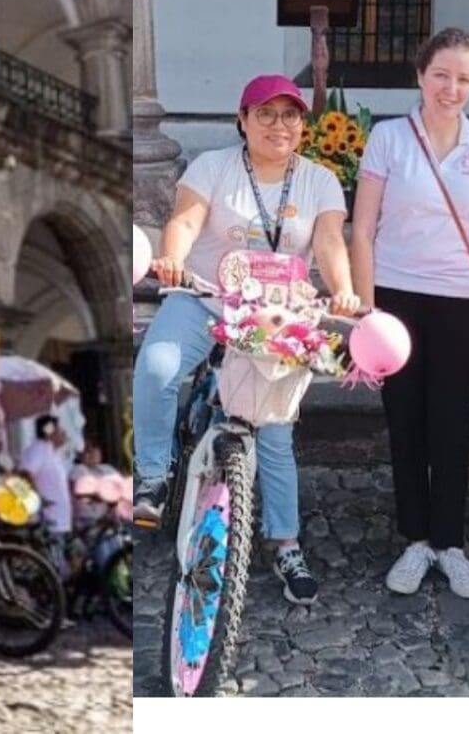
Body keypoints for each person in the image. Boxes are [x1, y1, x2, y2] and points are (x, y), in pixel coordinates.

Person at [133, 73, 362, 606]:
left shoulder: (319, 180)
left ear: (302, 127)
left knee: (276, 433)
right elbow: (185, 222)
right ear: (242, 120)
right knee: (159, 367)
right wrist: (171, 258)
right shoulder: (212, 167)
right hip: (206, 298)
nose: (277, 125)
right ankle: (151, 476)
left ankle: (285, 543)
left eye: (289, 115)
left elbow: (330, 241)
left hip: (277, 315)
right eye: (265, 114)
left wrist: (344, 291)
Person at [349, 27, 469, 600]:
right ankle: (415, 538)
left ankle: (451, 542)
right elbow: (362, 229)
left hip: (460, 299)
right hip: (396, 297)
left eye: (464, 79)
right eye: (442, 75)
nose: (452, 88)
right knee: (406, 420)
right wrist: (366, 312)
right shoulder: (390, 138)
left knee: (452, 423)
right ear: (420, 76)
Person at [19, 415, 73, 575]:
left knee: (61, 560)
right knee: (54, 566)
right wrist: (36, 499)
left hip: (60, 519)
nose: (63, 433)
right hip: (48, 518)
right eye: (59, 429)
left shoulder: (53, 452)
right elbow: (24, 474)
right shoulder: (39, 449)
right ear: (49, 431)